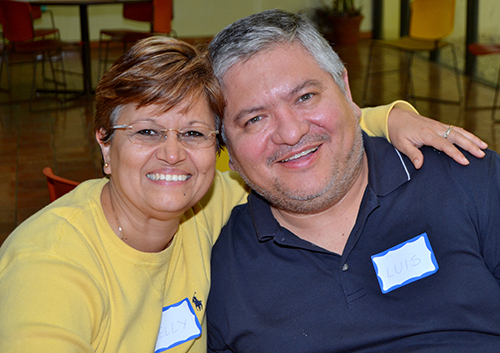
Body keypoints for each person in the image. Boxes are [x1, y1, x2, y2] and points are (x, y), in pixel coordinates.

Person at [0, 33, 485, 353]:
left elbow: (301, 149)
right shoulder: (50, 265)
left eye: (192, 134)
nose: (173, 155)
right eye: (147, 132)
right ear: (104, 143)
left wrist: (391, 117)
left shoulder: (207, 205)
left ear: (218, 150)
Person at [206, 9, 500, 353]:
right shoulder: (222, 269)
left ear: (345, 90)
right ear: (227, 149)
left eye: (305, 97)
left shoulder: (464, 177)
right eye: (255, 119)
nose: (291, 132)